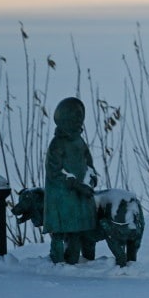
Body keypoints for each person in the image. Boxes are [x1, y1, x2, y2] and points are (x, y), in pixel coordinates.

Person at [44, 96, 99, 264]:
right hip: (64, 199)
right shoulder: (57, 144)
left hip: (81, 197)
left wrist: (91, 178)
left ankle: (88, 262)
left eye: (79, 118)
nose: (78, 122)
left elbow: (88, 162)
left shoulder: (79, 141)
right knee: (69, 233)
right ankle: (65, 262)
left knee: (87, 232)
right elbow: (55, 172)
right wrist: (76, 185)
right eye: (74, 118)